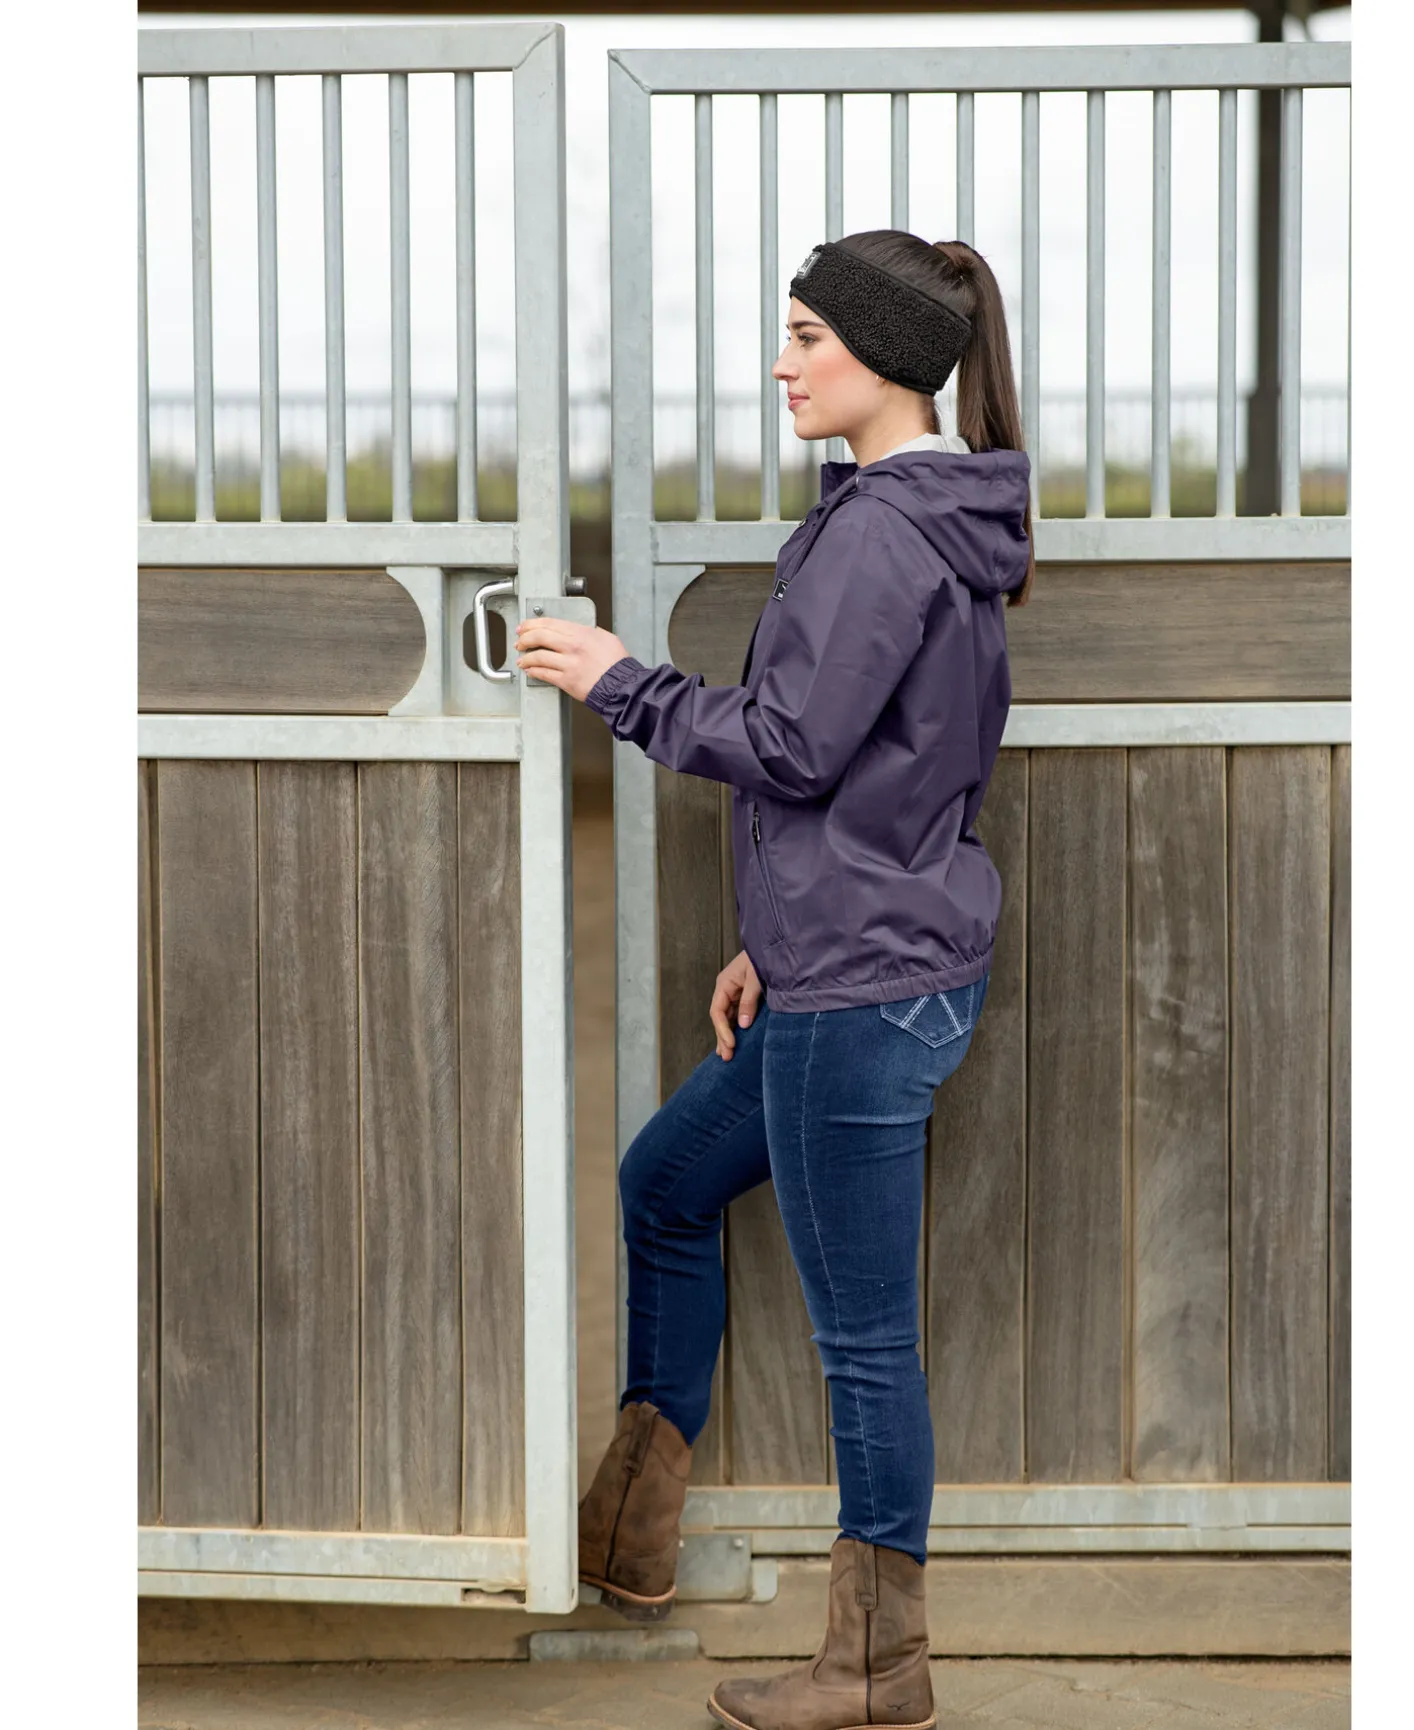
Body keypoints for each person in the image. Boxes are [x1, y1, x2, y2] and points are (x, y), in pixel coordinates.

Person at [514, 228, 1034, 1730]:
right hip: (854, 956)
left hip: (862, 990)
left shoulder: (884, 531)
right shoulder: (910, 513)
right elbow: (890, 764)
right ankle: (631, 1531)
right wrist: (773, 930)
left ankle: (875, 1665)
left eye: (806, 337)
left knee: (863, 1343)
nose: (781, 363)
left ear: (888, 357)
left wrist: (618, 682)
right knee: (666, 1180)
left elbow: (796, 746)